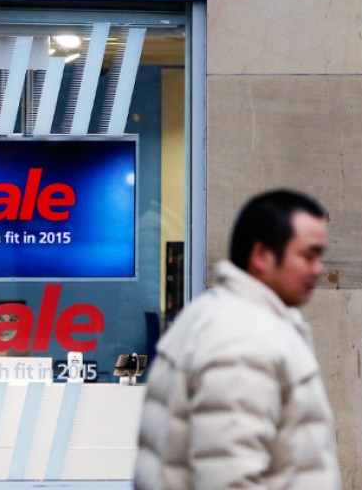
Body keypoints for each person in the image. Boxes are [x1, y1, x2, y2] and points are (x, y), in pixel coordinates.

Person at [134, 189, 341, 490]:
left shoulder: (217, 315)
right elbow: (229, 478)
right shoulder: (243, 339)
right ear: (262, 256)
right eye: (308, 255)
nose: (319, 269)